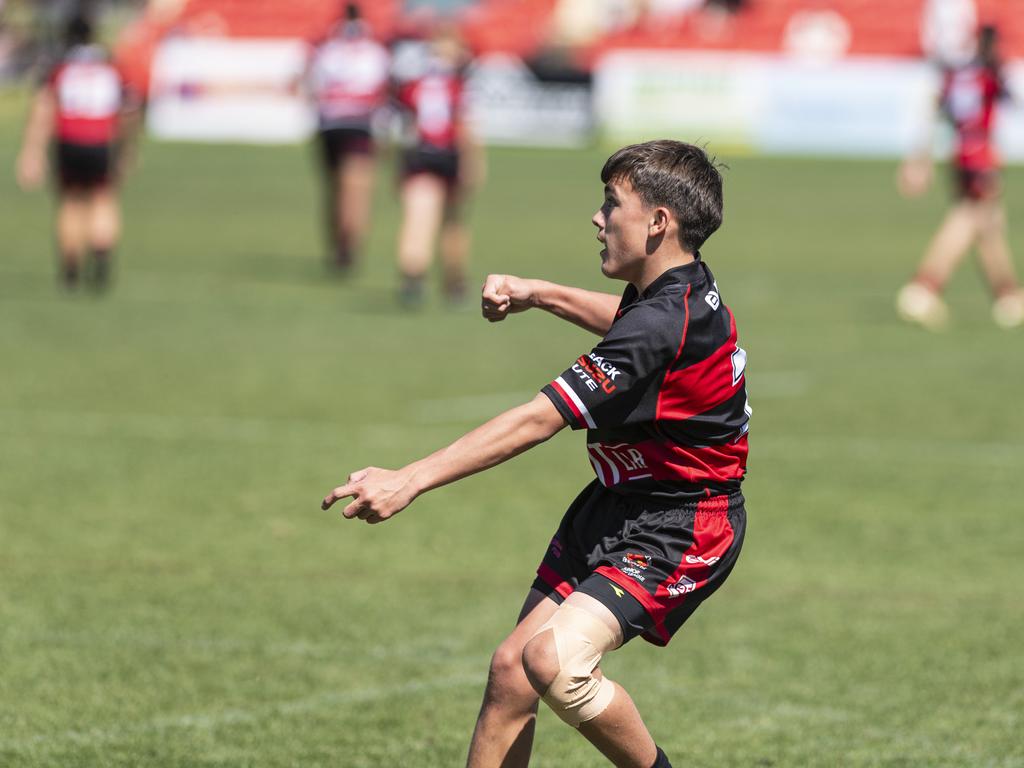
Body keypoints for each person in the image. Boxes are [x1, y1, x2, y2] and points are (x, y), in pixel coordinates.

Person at [322, 140, 750, 768]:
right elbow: (629, 325)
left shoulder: (663, 321)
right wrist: (540, 293)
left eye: (613, 204)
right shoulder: (678, 293)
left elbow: (536, 420)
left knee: (553, 661)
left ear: (659, 222)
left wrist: (409, 479)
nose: (598, 218)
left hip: (682, 524)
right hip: (614, 506)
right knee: (511, 673)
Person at [897, 24, 1024, 329]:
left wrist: (921, 158)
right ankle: (923, 287)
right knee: (968, 219)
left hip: (960, 154)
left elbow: (936, 108)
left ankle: (1008, 296)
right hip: (981, 154)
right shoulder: (989, 74)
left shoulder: (957, 75)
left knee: (989, 224)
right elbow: (1010, 100)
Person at [15, 12, 139, 290]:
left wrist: (31, 151)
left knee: (71, 201)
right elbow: (129, 108)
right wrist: (127, 146)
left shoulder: (60, 68)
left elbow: (43, 108)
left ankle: (70, 268)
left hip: (69, 140)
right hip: (101, 140)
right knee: (103, 198)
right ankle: (101, 258)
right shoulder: (110, 66)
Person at [391, 22, 483, 307]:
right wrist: (473, 164)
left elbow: (403, 128)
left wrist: (398, 165)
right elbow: (465, 128)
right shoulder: (458, 85)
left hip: (419, 156)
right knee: (452, 222)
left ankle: (413, 278)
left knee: (420, 216)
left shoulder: (413, 84)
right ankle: (454, 282)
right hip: (448, 156)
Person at [307, 2, 390, 274]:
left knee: (334, 189)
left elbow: (312, 87)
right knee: (357, 192)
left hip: (330, 125)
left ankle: (339, 245)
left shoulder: (327, 46)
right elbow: (384, 94)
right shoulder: (375, 50)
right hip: (359, 125)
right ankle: (349, 244)